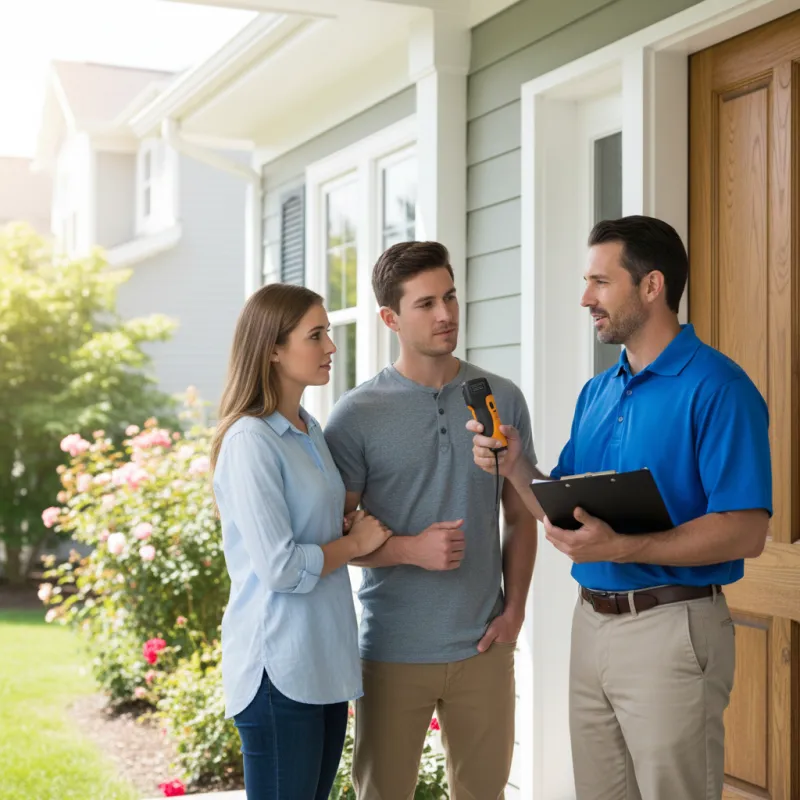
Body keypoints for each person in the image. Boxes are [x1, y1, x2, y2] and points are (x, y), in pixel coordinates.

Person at [469, 215, 772, 800]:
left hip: (672, 628)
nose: (586, 298)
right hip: (592, 626)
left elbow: (746, 531)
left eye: (600, 282)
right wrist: (513, 465)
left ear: (651, 286)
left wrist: (626, 546)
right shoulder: (599, 390)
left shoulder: (718, 388)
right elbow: (561, 504)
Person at [324, 241, 541, 800]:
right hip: (393, 647)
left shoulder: (501, 398)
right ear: (390, 318)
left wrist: (514, 612)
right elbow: (337, 539)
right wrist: (407, 549)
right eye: (425, 304)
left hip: (484, 645)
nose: (446, 314)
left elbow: (520, 517)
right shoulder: (356, 416)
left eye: (449, 297)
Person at [209, 283, 391, 800]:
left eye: (328, 333)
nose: (331, 347)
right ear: (273, 348)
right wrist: (355, 546)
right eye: (316, 335)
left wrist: (347, 530)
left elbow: (318, 527)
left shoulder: (309, 429)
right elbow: (281, 568)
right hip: (278, 669)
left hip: (324, 661)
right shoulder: (250, 440)